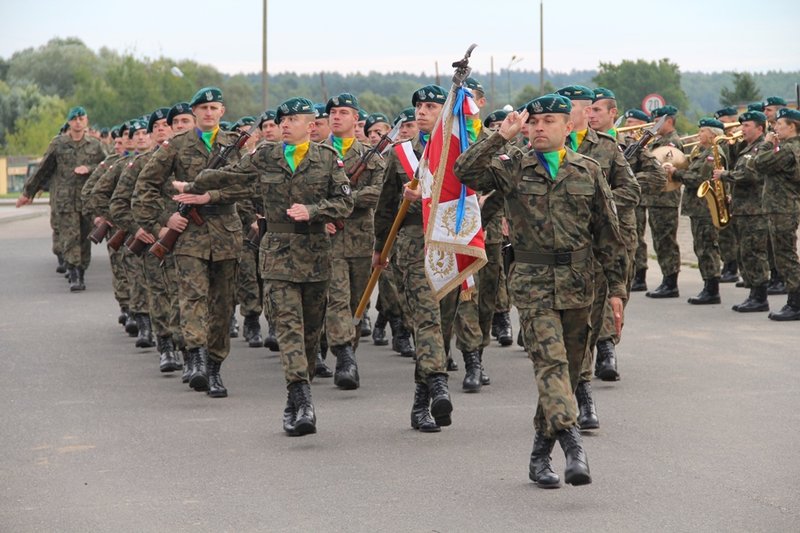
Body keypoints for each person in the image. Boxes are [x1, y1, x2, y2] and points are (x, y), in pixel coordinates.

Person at [454, 94, 628, 488]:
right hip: (533, 284)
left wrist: (617, 290)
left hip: (581, 285)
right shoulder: (513, 167)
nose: (539, 128)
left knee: (563, 375)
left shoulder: (589, 170)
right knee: (550, 365)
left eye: (549, 121)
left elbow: (608, 234)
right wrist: (502, 136)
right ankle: (572, 445)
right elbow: (464, 170)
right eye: (534, 122)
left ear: (569, 127)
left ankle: (538, 453)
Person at [187, 96, 354, 435]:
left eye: (293, 120)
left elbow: (345, 202)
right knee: (288, 327)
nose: (286, 125)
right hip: (276, 254)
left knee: (309, 333)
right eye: (282, 121)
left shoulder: (328, 159)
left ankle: (297, 394)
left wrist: (314, 211)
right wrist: (198, 184)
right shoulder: (266, 156)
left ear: (311, 126)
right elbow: (233, 176)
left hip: (315, 255)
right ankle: (302, 398)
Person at [137, 87, 249, 398]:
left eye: (214, 107)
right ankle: (196, 358)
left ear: (222, 112)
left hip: (226, 232)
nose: (209, 113)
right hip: (189, 235)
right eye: (203, 108)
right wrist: (161, 223)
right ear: (195, 112)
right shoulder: (176, 145)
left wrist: (211, 195)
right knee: (192, 297)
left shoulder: (235, 145)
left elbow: (247, 186)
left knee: (223, 305)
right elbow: (145, 183)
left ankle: (214, 366)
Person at [374, 85, 454, 432]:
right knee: (426, 318)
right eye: (419, 106)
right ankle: (438, 382)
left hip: (450, 242)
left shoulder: (459, 151)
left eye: (431, 106)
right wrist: (380, 248)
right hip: (412, 242)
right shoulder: (400, 154)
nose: (421, 112)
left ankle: (421, 402)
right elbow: (386, 206)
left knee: (443, 323)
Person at [322, 93, 385, 390]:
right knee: (335, 299)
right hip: (327, 239)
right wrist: (323, 214)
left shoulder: (371, 155)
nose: (336, 116)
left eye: (343, 112)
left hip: (361, 238)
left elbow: (376, 193)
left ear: (356, 120)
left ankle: (348, 351)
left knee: (356, 303)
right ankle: (344, 356)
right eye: (332, 112)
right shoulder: (316, 153)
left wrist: (340, 202)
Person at [17, 106, 106, 290]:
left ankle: (81, 269)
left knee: (84, 238)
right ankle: (75, 274)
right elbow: (43, 169)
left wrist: (88, 168)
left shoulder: (95, 145)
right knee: (70, 237)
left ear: (86, 121)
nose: (78, 122)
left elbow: (106, 166)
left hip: (86, 200)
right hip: (64, 200)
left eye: (82, 118)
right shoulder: (58, 144)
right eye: (74, 119)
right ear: (69, 122)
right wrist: (28, 192)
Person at [714, 111, 771, 312]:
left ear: (760, 128)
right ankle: (753, 293)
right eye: (742, 125)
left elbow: (751, 174)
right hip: (743, 209)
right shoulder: (747, 148)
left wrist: (725, 175)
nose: (742, 129)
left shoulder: (762, 148)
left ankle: (760, 296)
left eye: (747, 126)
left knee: (755, 253)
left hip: (755, 210)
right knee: (746, 252)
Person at [667, 118, 728, 305]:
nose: (699, 134)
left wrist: (675, 173)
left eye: (702, 131)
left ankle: (712, 289)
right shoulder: (703, 152)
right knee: (701, 247)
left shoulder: (713, 153)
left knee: (707, 247)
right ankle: (708, 285)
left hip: (705, 208)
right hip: (698, 208)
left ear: (712, 134)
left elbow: (699, 178)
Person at [751, 107, 800, 320]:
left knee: (785, 256)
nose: (775, 128)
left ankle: (796, 303)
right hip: (781, 207)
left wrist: (768, 142)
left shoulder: (788, 149)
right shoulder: (790, 147)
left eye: (780, 125)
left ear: (792, 127)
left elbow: (759, 162)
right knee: (783, 255)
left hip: (783, 208)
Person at [644, 105, 684, 299]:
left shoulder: (672, 143)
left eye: (658, 120)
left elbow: (672, 166)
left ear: (668, 121)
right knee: (660, 241)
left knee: (666, 241)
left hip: (666, 198)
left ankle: (671, 282)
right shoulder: (659, 141)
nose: (654, 124)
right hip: (656, 197)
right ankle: (666, 279)